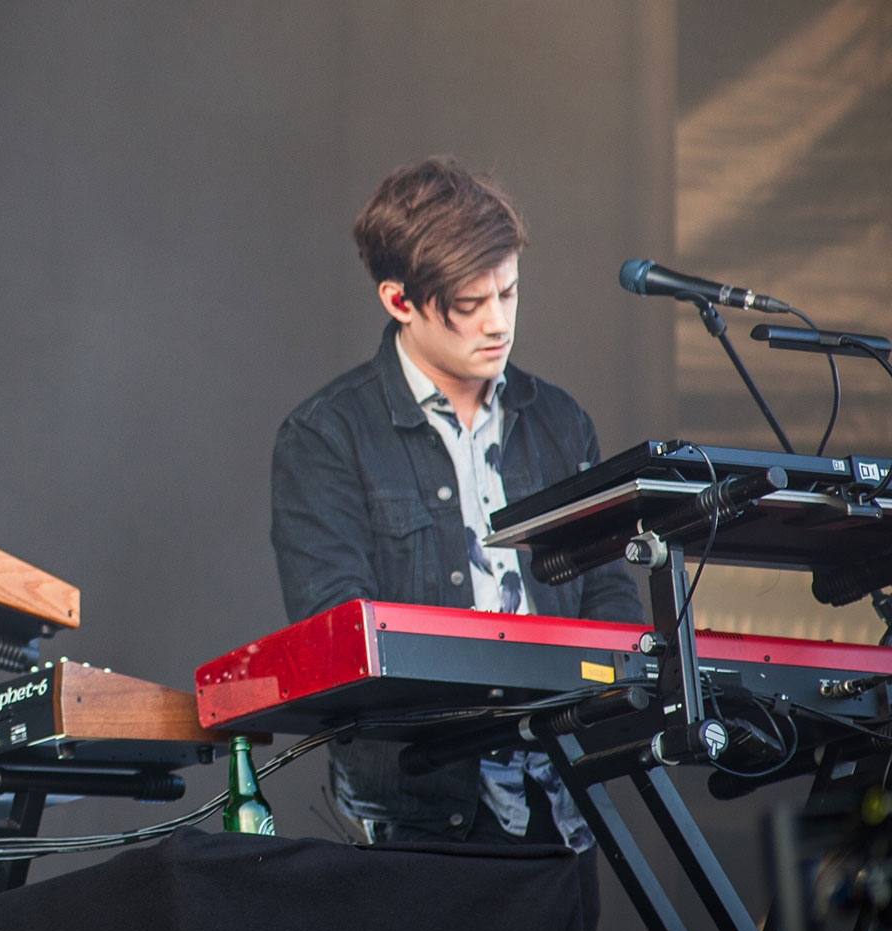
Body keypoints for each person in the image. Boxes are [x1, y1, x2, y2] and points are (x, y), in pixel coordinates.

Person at [269, 158, 642, 886]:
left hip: (563, 803)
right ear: (399, 300)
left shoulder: (561, 422)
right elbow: (339, 628)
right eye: (470, 304)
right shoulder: (326, 435)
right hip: (419, 812)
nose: (498, 322)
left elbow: (609, 594)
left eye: (509, 292)